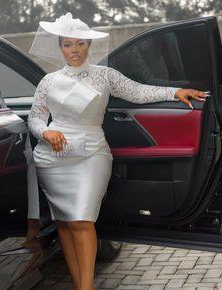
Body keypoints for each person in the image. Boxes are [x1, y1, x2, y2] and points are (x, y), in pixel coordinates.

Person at [27, 12, 208, 290]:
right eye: (67, 44)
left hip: (91, 155)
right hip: (54, 158)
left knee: (83, 221)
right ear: (60, 47)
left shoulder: (105, 75)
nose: (74, 50)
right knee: (65, 222)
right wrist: (46, 132)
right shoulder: (48, 81)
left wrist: (175, 93)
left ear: (88, 45)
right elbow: (35, 118)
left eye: (80, 44)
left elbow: (138, 92)